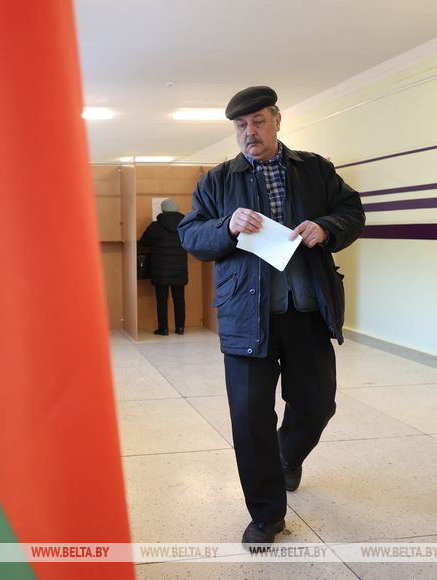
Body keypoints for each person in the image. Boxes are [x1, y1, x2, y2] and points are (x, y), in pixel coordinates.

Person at [178, 86, 364, 545]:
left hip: (306, 310)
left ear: (277, 121)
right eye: (241, 126)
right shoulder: (217, 181)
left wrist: (327, 227)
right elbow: (191, 235)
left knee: (317, 404)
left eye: (258, 122)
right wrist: (226, 226)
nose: (250, 132)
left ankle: (286, 457)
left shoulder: (315, 169)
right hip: (246, 317)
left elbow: (351, 210)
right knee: (250, 419)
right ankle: (266, 516)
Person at [138, 199, 188, 336]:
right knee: (179, 299)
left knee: (162, 300)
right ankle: (180, 328)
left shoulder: (156, 226)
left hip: (161, 269)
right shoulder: (184, 226)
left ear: (162, 210)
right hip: (179, 268)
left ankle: (163, 328)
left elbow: (144, 241)